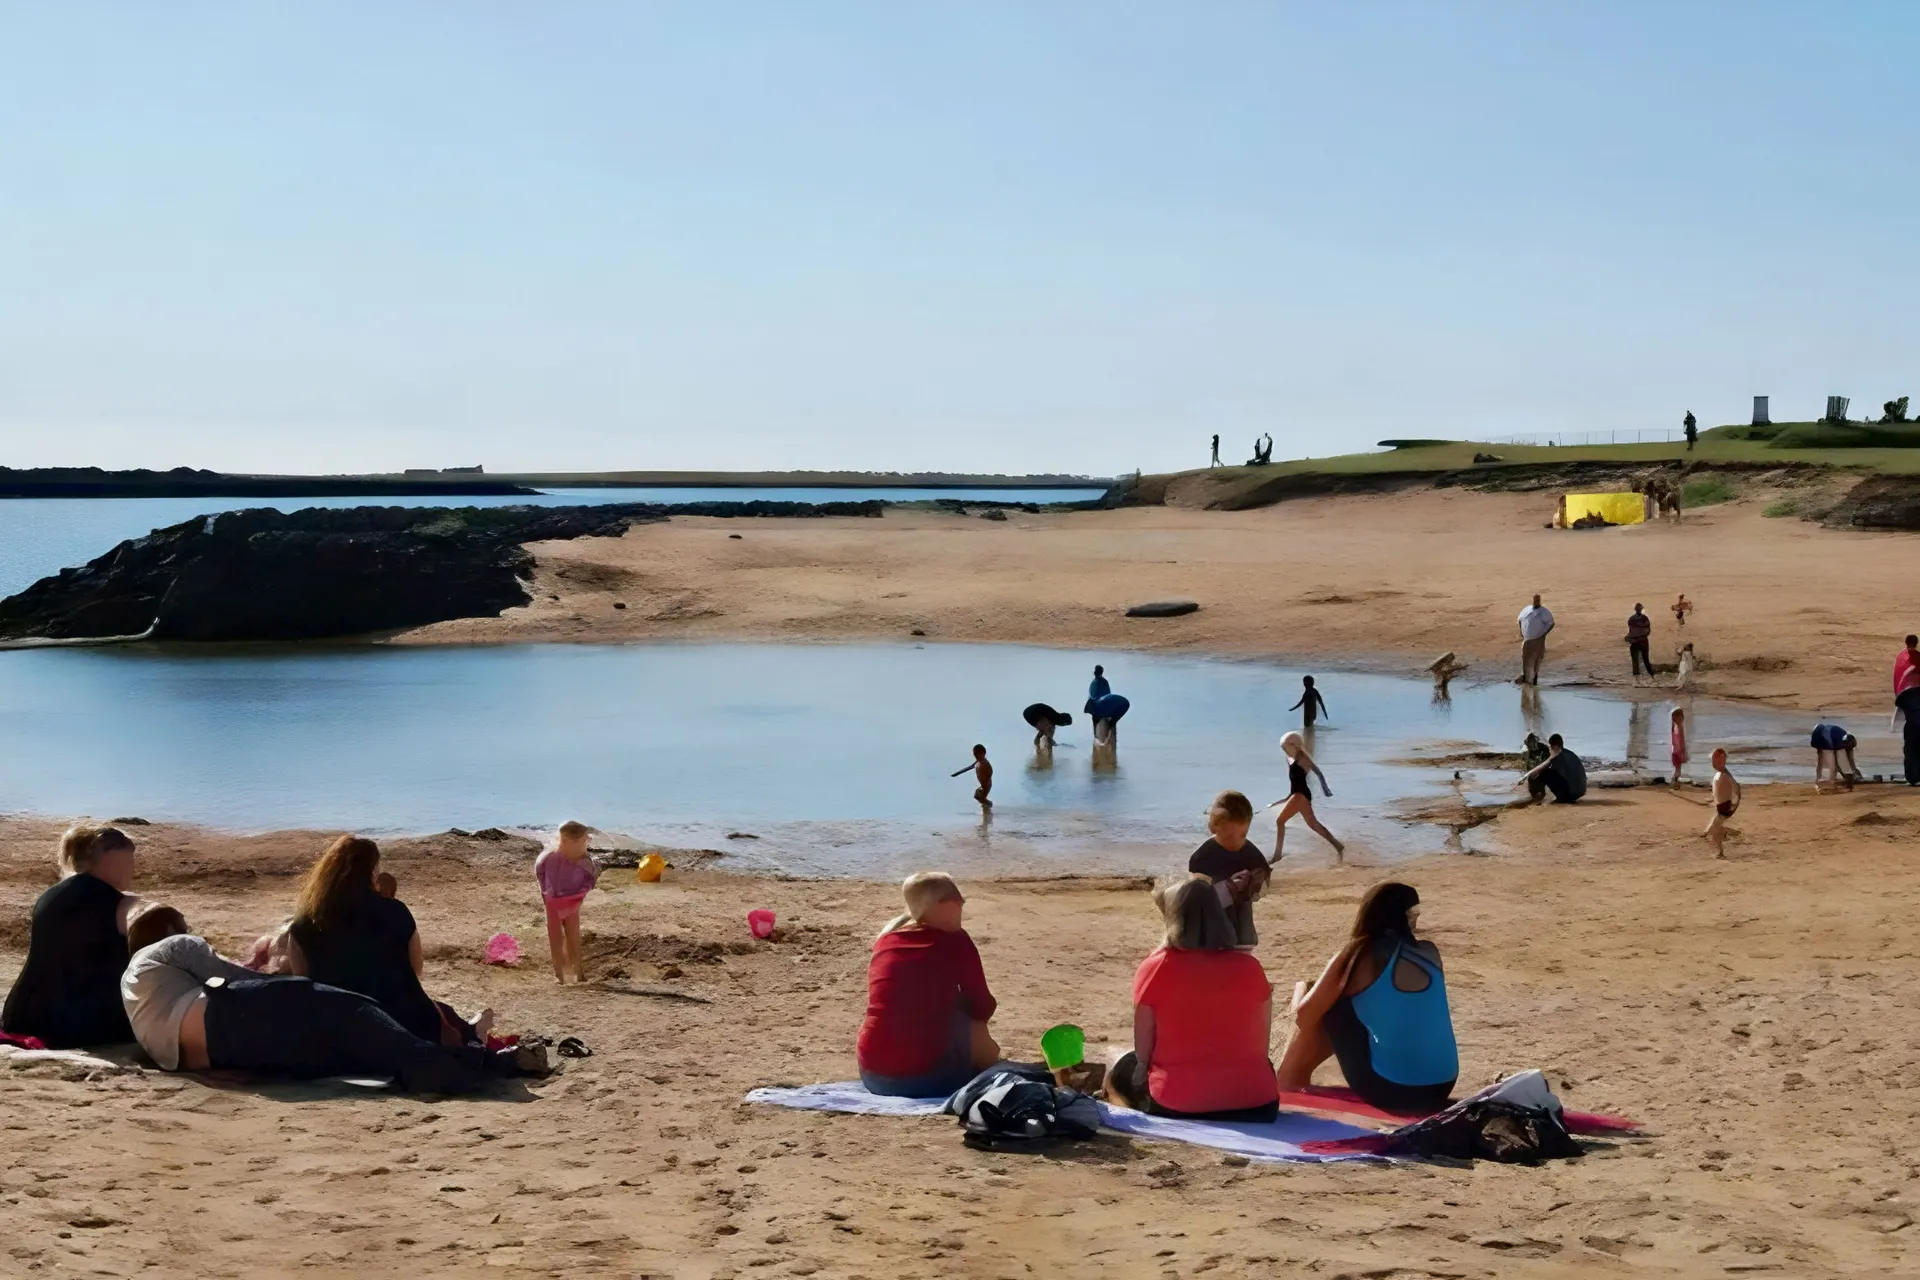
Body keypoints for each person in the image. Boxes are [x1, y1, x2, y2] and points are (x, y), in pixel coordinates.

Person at [121, 905, 547, 1091]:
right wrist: (286, 978)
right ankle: (486, 1062)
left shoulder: (136, 991)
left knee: (353, 1048)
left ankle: (474, 1064)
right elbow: (231, 978)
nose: (192, 930)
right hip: (223, 1021)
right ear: (171, 929)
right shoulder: (172, 948)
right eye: (185, 923)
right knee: (352, 1009)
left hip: (215, 1053)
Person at [1104, 878, 1279, 1121]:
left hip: (1178, 1103)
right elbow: (1262, 1040)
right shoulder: (1250, 967)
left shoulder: (1156, 967)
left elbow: (1144, 1050)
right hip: (1257, 1102)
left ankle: (1122, 1107)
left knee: (1119, 1068)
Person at [1277, 882, 1457, 1112]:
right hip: (1442, 1086)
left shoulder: (1361, 953)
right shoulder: (1429, 951)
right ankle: (1291, 1077)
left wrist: (1300, 991)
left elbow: (1303, 1016)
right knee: (1345, 1001)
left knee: (1326, 1003)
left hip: (1394, 1091)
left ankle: (1289, 1079)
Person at [288, 835, 462, 1044]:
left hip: (337, 1033)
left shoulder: (304, 924)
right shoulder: (396, 911)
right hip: (405, 1027)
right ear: (372, 871)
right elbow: (416, 970)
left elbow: (303, 984)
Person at [856, 873, 999, 1098]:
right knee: (970, 1016)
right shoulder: (956, 940)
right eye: (953, 899)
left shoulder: (885, 940)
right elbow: (982, 1004)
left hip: (873, 1075)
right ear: (936, 905)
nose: (960, 904)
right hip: (927, 1081)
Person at [1, 824, 144, 1048]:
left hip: (24, 1012)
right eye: (128, 863)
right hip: (77, 1022)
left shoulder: (52, 893)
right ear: (110, 862)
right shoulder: (114, 903)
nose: (131, 871)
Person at [1188, 791, 1269, 949]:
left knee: (1243, 947)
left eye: (1242, 835)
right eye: (1230, 837)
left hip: (1242, 924)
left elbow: (1263, 880)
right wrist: (1227, 887)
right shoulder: (1203, 856)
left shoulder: (1250, 852)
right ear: (1214, 828)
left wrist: (1254, 879)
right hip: (1214, 926)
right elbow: (1196, 897)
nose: (1237, 842)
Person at [535, 821, 599, 985]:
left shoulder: (585, 861)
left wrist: (581, 893)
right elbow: (540, 873)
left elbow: (591, 880)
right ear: (563, 841)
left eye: (584, 841)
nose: (584, 845)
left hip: (573, 903)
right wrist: (546, 892)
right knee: (555, 937)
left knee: (573, 935)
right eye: (580, 842)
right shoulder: (549, 858)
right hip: (553, 903)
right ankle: (559, 975)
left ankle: (579, 972)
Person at [1275, 731, 1343, 860]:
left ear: (1294, 745)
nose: (1284, 751)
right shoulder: (1290, 758)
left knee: (1280, 822)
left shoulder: (1303, 759)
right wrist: (1287, 797)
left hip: (1300, 795)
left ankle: (1277, 855)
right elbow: (1294, 782)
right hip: (1299, 795)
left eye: (1285, 748)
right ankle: (1338, 845)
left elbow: (1318, 772)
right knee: (1313, 824)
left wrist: (1326, 789)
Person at [1518, 733, 1586, 804]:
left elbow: (1540, 768)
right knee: (1550, 772)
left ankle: (1539, 797)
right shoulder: (1570, 754)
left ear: (1555, 746)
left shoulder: (1556, 754)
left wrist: (1524, 776)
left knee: (1543, 773)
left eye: (1551, 746)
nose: (1550, 748)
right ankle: (1564, 797)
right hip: (1580, 791)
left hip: (1570, 793)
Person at [1705, 748, 1741, 857]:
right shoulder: (1720, 774)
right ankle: (1723, 834)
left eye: (1715, 760)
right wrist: (1713, 801)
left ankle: (1726, 838)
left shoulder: (1725, 775)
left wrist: (1735, 804)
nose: (1713, 763)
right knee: (1713, 827)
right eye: (1712, 760)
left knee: (1714, 829)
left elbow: (1737, 789)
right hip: (1721, 806)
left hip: (1725, 807)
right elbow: (1718, 791)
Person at [1516, 594, 1554, 686]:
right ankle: (1525, 676)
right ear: (1533, 600)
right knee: (1525, 656)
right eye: (1535, 600)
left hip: (1538, 638)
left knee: (1537, 658)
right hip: (1527, 639)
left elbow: (1551, 623)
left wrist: (1544, 634)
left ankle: (1535, 678)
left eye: (1538, 600)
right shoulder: (1526, 609)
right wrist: (1521, 631)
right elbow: (1520, 620)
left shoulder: (1544, 612)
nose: (1536, 601)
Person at [1811, 724, 1858, 791]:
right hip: (1835, 742)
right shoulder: (1825, 739)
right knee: (1843, 765)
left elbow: (1831, 765)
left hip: (1839, 741)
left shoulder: (1834, 737)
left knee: (1843, 764)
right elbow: (1831, 765)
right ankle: (1848, 782)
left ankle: (1848, 782)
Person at [950, 744, 993, 809]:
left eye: (977, 754)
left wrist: (985, 786)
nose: (975, 756)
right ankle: (987, 809)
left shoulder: (985, 764)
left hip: (986, 785)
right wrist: (957, 773)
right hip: (983, 785)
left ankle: (989, 806)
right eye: (974, 754)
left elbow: (990, 773)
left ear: (983, 753)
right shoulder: (978, 761)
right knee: (978, 797)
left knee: (978, 795)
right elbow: (970, 767)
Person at [1625, 603, 1654, 683]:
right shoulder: (1643, 618)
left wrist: (1631, 637)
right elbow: (1646, 631)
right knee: (1642, 659)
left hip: (1637, 641)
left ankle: (1641, 678)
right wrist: (1632, 636)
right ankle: (1648, 676)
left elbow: (1632, 631)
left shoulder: (1633, 619)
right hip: (1641, 641)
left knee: (1640, 659)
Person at [1520, 732, 1551, 800]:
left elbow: (1547, 761)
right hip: (1534, 767)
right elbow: (1527, 763)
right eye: (1528, 744)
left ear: (1535, 742)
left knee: (1541, 783)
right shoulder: (1528, 750)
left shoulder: (1544, 748)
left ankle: (1543, 794)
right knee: (1531, 788)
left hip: (1543, 767)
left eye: (1530, 743)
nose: (1528, 745)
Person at [1670, 707, 1689, 788]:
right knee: (1678, 768)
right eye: (1680, 717)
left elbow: (1674, 740)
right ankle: (1675, 782)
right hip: (1678, 750)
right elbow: (1681, 740)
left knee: (1677, 768)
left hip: (1674, 750)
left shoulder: (1674, 726)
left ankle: (1675, 781)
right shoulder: (1679, 727)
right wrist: (1682, 751)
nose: (1681, 719)